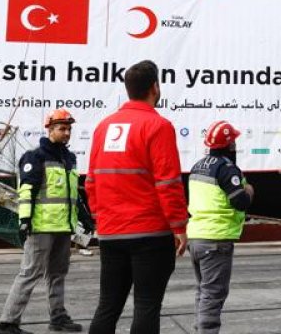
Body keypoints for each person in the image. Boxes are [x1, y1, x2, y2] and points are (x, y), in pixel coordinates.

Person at [86, 60, 189, 334]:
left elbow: (92, 181)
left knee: (107, 306)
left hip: (110, 233)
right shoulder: (158, 125)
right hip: (150, 234)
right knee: (146, 306)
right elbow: (168, 183)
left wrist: (102, 217)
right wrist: (178, 226)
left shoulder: (103, 127)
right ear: (155, 87)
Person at [0, 109, 83, 334]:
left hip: (63, 227)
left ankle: (58, 318)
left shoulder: (69, 158)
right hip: (41, 227)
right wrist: (24, 220)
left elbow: (72, 194)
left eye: (69, 129)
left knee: (57, 274)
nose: (66, 133)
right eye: (62, 129)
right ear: (50, 130)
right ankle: (8, 323)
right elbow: (26, 190)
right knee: (29, 273)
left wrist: (84, 217)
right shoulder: (35, 157)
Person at [187, 120, 254, 334]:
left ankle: (200, 329)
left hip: (196, 237)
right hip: (216, 240)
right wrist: (250, 191)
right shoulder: (226, 169)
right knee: (213, 294)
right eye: (233, 141)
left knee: (204, 292)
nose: (235, 145)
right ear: (229, 145)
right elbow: (240, 201)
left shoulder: (197, 166)